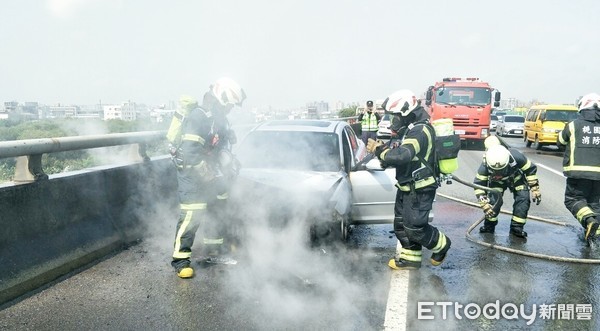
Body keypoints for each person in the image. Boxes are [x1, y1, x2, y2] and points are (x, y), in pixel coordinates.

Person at [168, 77, 246, 278]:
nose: (231, 109)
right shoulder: (199, 116)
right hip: (191, 173)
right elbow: (191, 152)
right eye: (230, 104)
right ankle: (180, 260)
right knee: (192, 214)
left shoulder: (217, 116)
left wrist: (229, 139)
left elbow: (218, 141)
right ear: (222, 97)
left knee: (218, 205)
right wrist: (209, 175)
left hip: (209, 172)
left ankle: (215, 251)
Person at [367, 89, 451, 270]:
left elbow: (402, 156)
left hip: (420, 189)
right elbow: (401, 155)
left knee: (415, 228)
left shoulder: (420, 131)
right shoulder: (410, 129)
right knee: (401, 226)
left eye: (395, 116)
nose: (393, 120)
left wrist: (379, 151)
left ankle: (442, 244)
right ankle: (410, 260)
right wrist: (385, 154)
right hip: (407, 186)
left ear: (406, 112)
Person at [473, 140, 541, 238]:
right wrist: (484, 205)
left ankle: (516, 228)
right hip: (497, 183)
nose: (498, 173)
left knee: (523, 199)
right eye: (495, 171)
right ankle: (489, 227)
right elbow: (479, 185)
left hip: (516, 178)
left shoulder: (516, 156)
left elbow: (530, 170)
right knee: (493, 201)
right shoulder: (485, 164)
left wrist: (535, 189)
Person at [558, 93, 600, 244]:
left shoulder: (573, 125)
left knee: (573, 200)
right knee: (595, 204)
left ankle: (589, 222)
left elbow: (560, 141)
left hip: (578, 173)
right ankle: (594, 238)